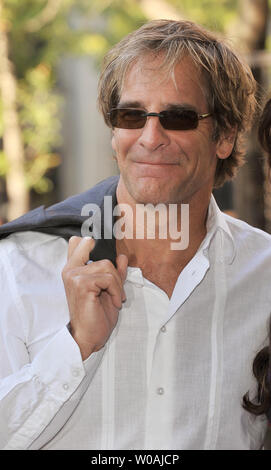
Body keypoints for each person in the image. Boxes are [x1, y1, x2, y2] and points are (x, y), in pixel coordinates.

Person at [0, 19, 271, 451]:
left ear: (225, 136)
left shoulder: (264, 274)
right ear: (114, 131)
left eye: (178, 117)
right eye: (131, 115)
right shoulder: (20, 266)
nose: (150, 137)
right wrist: (76, 346)